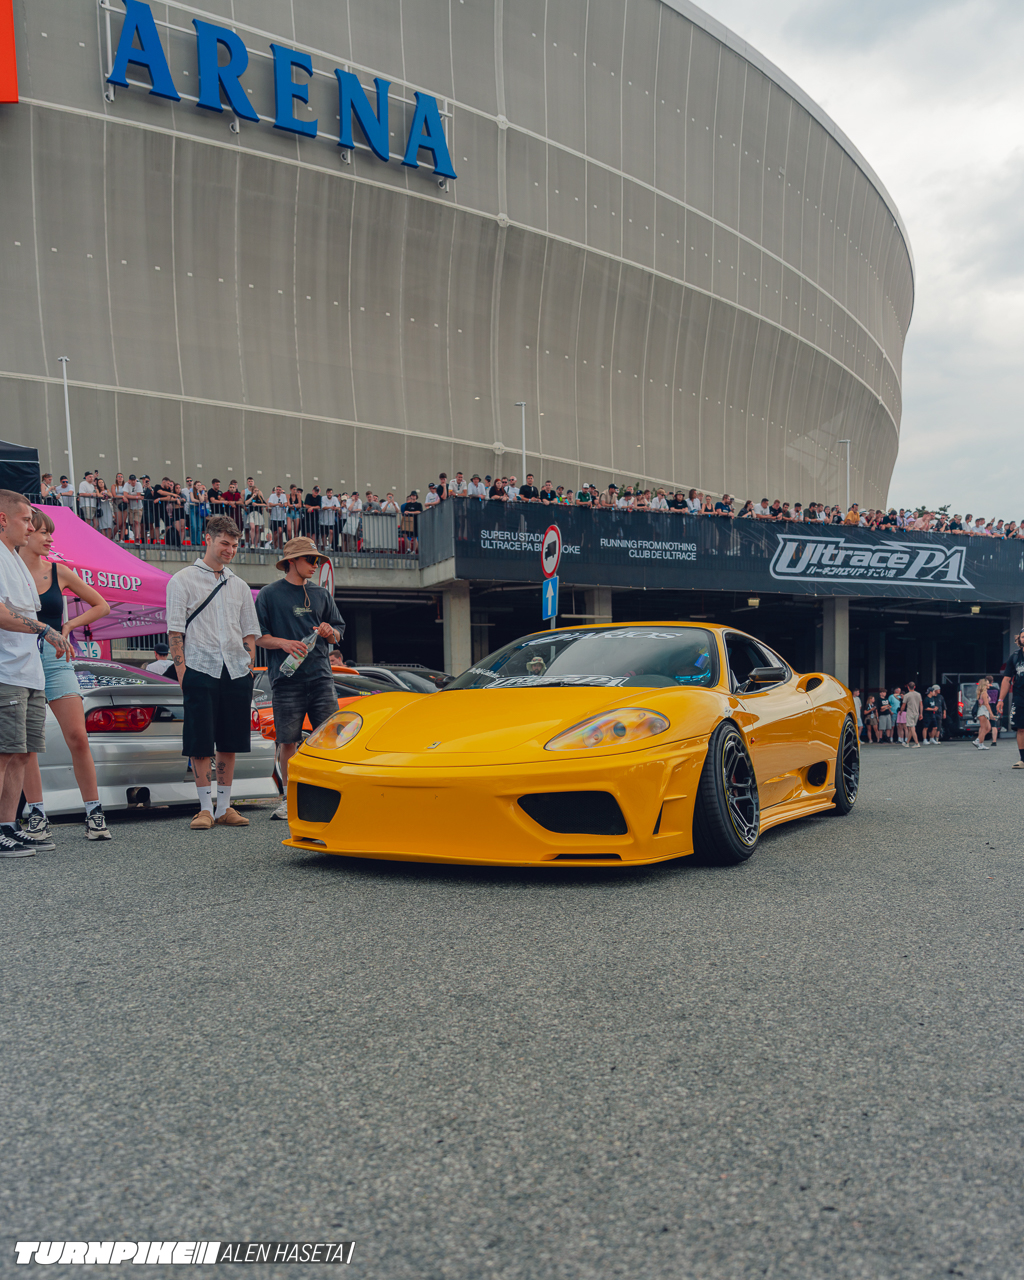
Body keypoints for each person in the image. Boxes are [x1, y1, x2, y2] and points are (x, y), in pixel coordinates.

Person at [18, 508, 113, 841]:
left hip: (55, 658)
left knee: (78, 736)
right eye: (43, 532)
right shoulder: (9, 571)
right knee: (27, 743)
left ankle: (94, 812)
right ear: (26, 533)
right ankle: (37, 814)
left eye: (50, 533)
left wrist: (70, 624)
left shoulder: (59, 571)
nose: (49, 539)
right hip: (19, 658)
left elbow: (102, 605)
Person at [166, 515, 260, 830]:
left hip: (236, 669)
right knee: (200, 741)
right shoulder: (182, 580)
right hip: (199, 666)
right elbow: (175, 631)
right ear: (207, 539)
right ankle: (205, 807)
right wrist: (182, 672)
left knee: (230, 741)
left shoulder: (240, 585)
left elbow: (249, 632)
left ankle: (224, 806)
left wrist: (248, 666)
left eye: (234, 544)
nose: (229, 549)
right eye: (224, 543)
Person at [0, 491, 76, 855]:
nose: (31, 527)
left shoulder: (14, 558)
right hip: (5, 671)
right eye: (26, 520)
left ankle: (8, 826)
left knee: (21, 753)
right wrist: (45, 629)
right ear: (3, 519)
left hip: (28, 671)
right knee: (4, 753)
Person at [255, 537, 345, 823]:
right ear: (291, 561)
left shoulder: (321, 594)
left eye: (317, 560)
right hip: (286, 680)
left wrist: (330, 632)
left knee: (330, 740)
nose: (315, 565)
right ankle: (289, 799)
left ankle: (330, 797)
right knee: (288, 742)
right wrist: (283, 643)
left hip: (321, 678)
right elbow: (258, 637)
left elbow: (339, 632)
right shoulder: (269, 594)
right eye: (310, 559)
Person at [996, 632, 1024, 768]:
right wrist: (1000, 699)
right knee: (1021, 728)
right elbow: (1007, 679)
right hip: (1020, 697)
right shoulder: (1015, 657)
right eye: (1023, 636)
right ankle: (1023, 759)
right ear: (1019, 639)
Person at [974, 677, 994, 749]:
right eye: (988, 683)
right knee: (984, 728)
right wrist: (991, 713)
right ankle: (980, 743)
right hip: (983, 711)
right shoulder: (984, 693)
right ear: (985, 685)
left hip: (983, 711)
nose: (989, 685)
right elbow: (986, 704)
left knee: (988, 728)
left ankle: (978, 740)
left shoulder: (983, 693)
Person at [267, 484, 288, 549]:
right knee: (274, 532)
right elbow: (270, 504)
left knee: (280, 531)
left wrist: (282, 505)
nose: (278, 491)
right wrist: (277, 504)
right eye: (277, 490)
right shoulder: (272, 496)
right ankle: (275, 547)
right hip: (274, 517)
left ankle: (273, 542)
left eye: (279, 490)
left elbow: (286, 504)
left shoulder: (283, 496)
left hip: (281, 517)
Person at [902, 681, 922, 747]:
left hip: (910, 713)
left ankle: (917, 743)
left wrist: (901, 711)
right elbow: (921, 704)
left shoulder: (906, 695)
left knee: (912, 728)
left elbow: (903, 705)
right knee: (911, 728)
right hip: (916, 713)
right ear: (914, 687)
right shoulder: (918, 694)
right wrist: (921, 713)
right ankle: (907, 742)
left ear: (908, 687)